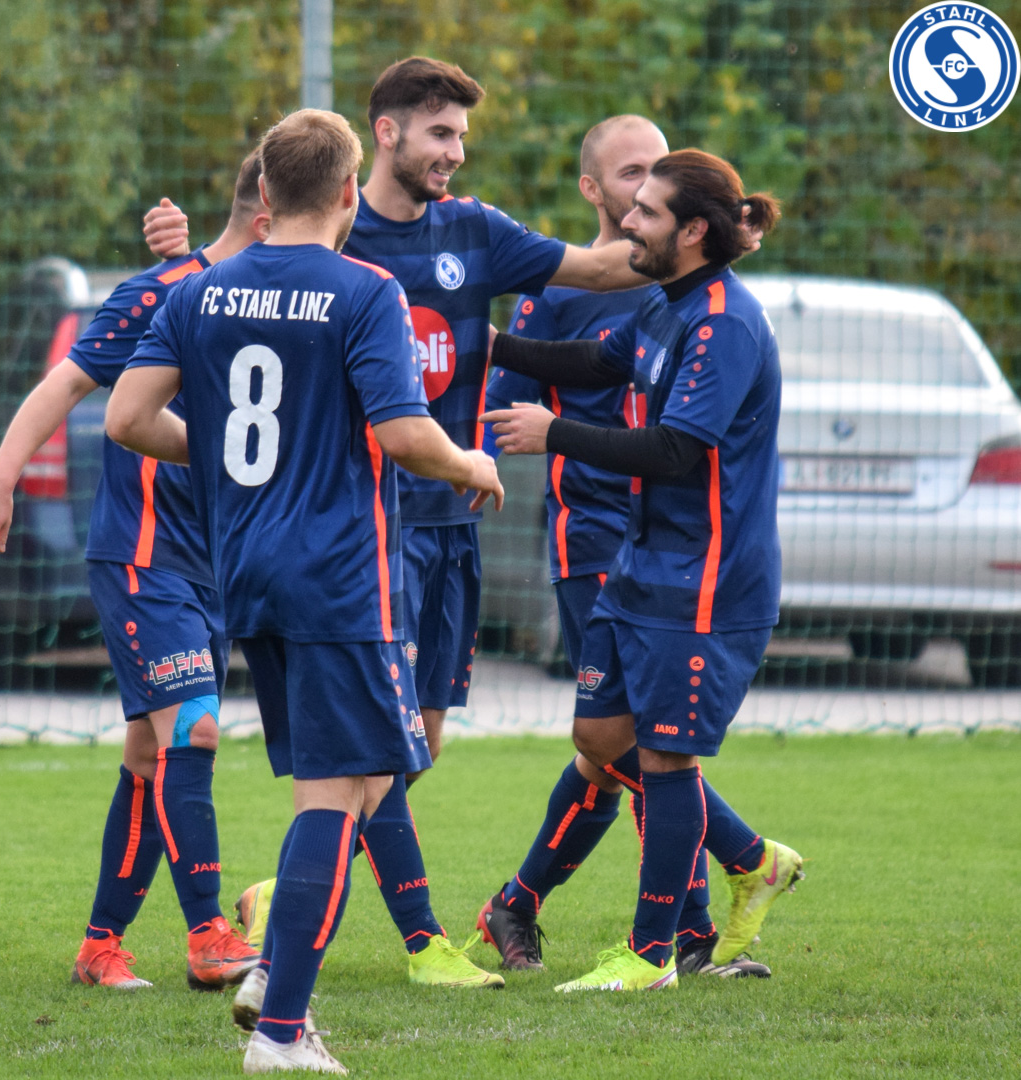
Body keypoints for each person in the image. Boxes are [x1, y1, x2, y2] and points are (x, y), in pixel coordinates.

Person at [143, 56, 654, 992]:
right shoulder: (346, 256)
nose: (455, 152)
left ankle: (291, 903)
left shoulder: (474, 230)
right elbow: (395, 427)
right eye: (440, 133)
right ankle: (406, 943)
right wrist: (466, 458)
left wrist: (686, 241)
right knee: (368, 755)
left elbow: (598, 265)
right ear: (380, 141)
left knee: (409, 747)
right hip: (368, 539)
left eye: (462, 135)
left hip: (441, 527)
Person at [108, 108, 505, 1073]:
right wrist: (473, 463)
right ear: (346, 193)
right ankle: (283, 1030)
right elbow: (406, 435)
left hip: (246, 572)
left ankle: (273, 978)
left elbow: (127, 418)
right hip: (341, 577)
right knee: (339, 792)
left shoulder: (201, 291)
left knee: (360, 783)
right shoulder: (365, 289)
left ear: (264, 191)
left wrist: (230, 462)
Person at [482, 149, 804, 992]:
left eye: (648, 211)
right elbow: (597, 363)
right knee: (599, 738)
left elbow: (673, 450)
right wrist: (491, 345)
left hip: (704, 582)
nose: (628, 221)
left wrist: (552, 433)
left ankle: (652, 954)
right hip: (642, 566)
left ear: (692, 231)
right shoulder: (668, 303)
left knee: (665, 760)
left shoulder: (725, 323)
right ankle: (749, 860)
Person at [0, 152, 272, 992]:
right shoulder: (159, 291)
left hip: (215, 563)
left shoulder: (286, 300)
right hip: (141, 553)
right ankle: (209, 934)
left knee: (149, 754)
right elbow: (64, 385)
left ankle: (100, 946)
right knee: (194, 730)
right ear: (271, 214)